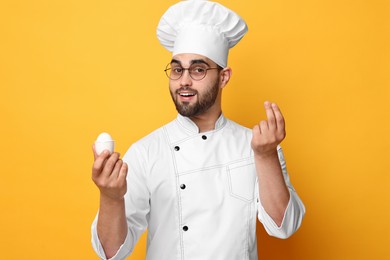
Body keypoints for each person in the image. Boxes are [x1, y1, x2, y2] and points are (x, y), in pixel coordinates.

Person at [91, 1, 305, 259]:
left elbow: (284, 227)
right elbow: (111, 252)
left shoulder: (258, 146)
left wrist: (266, 156)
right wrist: (111, 198)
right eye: (177, 69)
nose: (184, 80)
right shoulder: (146, 152)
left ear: (224, 77)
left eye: (198, 69)